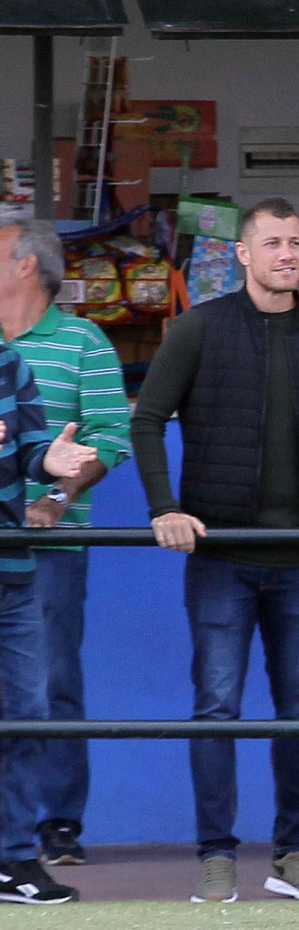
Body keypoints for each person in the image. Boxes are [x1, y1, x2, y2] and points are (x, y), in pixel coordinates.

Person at [130, 197, 299, 906]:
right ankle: (216, 857)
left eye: (296, 243)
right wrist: (164, 508)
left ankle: (294, 853)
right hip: (219, 555)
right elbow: (147, 421)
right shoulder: (197, 329)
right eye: (272, 243)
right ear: (242, 253)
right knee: (215, 706)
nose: (287, 255)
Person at [0, 219, 131, 866]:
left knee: (47, 686)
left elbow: (109, 436)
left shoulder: (84, 341)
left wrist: (55, 499)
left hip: (49, 551)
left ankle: (54, 826)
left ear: (27, 266)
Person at [0, 341, 99, 904]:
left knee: (27, 715)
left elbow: (35, 440)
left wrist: (49, 461)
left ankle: (12, 859)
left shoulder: (8, 361)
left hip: (13, 572)